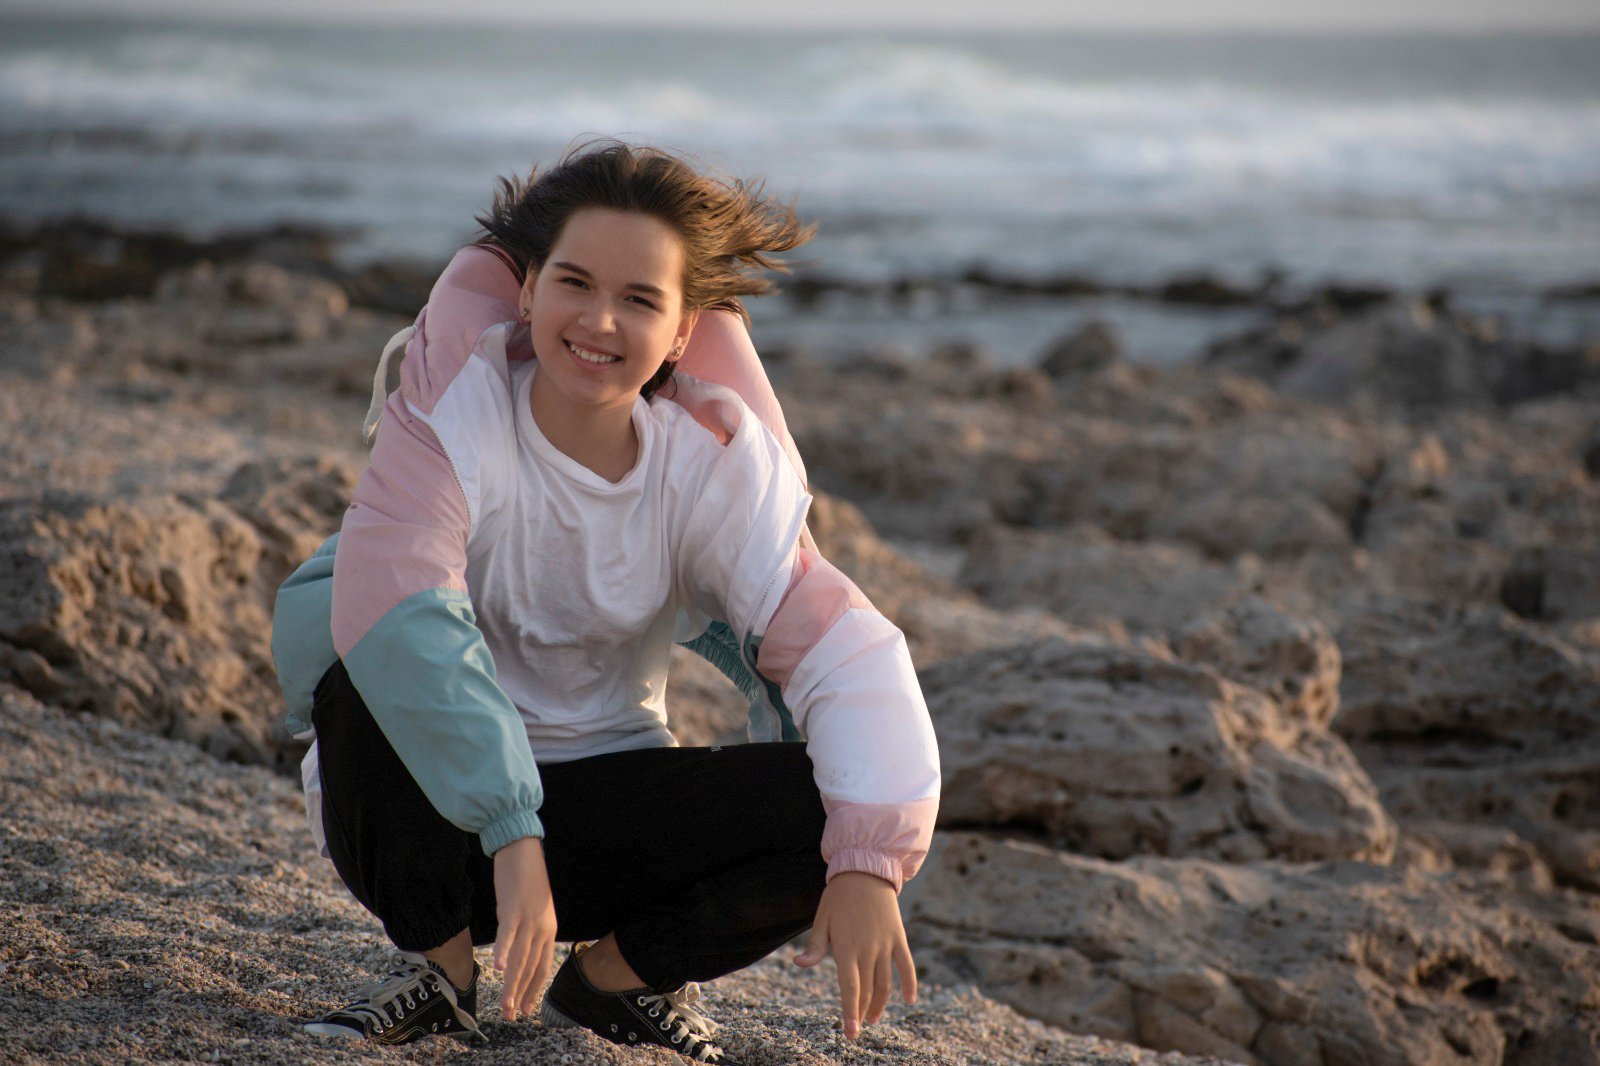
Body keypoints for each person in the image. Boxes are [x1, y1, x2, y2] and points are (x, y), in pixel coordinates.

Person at [269, 140, 941, 1062]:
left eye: (638, 299)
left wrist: (870, 864)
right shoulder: (455, 421)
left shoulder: (702, 465)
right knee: (366, 672)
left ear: (680, 329)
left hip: (601, 818)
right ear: (529, 289)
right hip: (438, 820)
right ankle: (442, 976)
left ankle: (613, 983)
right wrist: (509, 832)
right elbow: (402, 618)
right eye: (574, 284)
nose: (599, 320)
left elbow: (849, 652)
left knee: (828, 802)